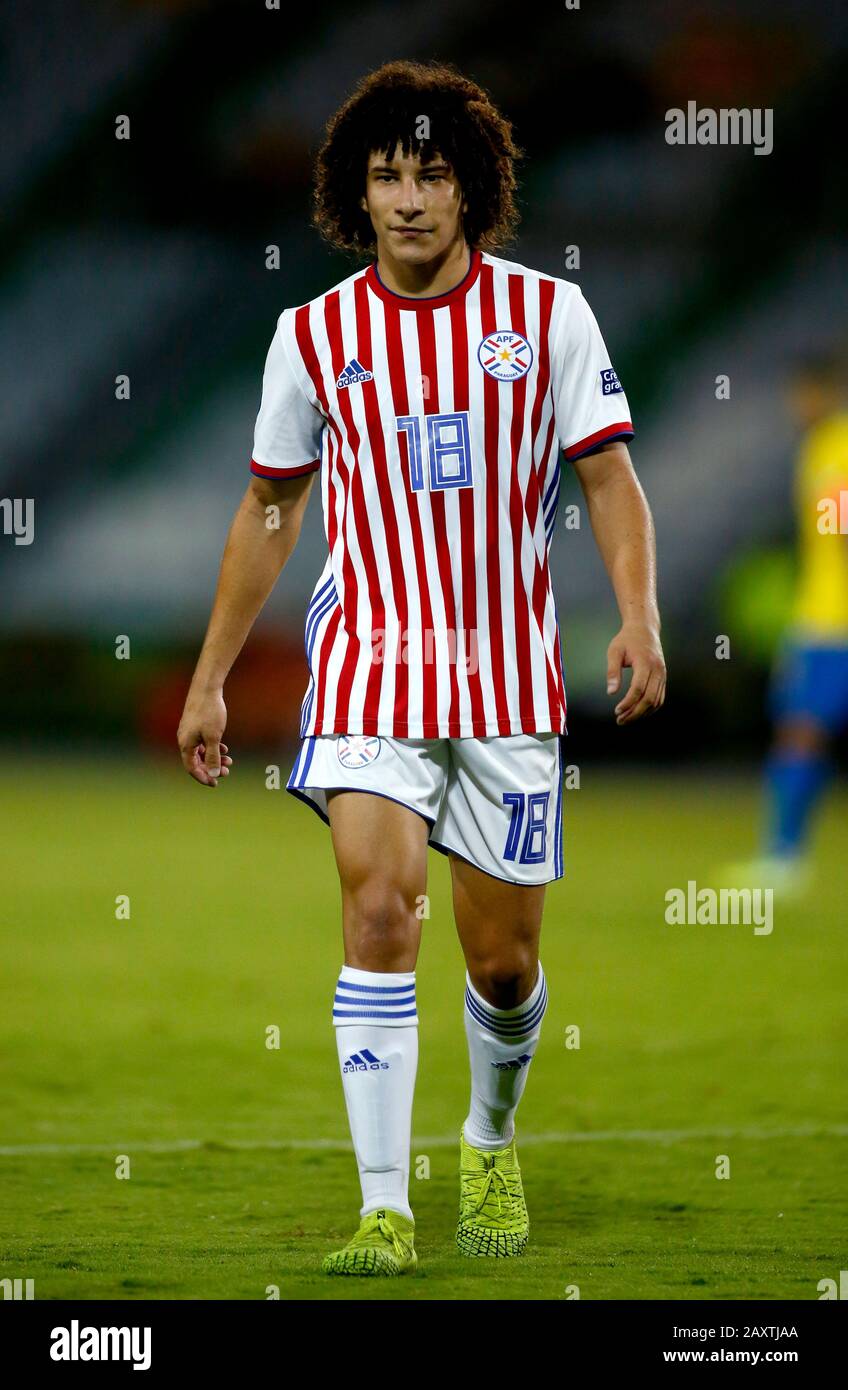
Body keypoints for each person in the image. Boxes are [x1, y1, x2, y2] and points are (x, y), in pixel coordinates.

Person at [177, 60, 665, 1277]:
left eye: (429, 174)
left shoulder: (549, 319)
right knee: (375, 903)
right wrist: (209, 675)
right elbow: (269, 510)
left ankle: (488, 1141)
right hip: (368, 666)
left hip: (504, 677)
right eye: (385, 175)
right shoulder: (313, 336)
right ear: (356, 190)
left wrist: (639, 615)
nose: (405, 198)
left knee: (501, 964)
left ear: (472, 187)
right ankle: (385, 1208)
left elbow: (606, 475)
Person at [732, 352, 848, 893]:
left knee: (800, 733)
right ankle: (785, 856)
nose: (794, 406)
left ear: (822, 391)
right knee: (801, 732)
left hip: (831, 624)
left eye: (802, 393)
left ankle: (784, 858)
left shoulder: (833, 447)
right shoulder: (819, 446)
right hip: (817, 617)